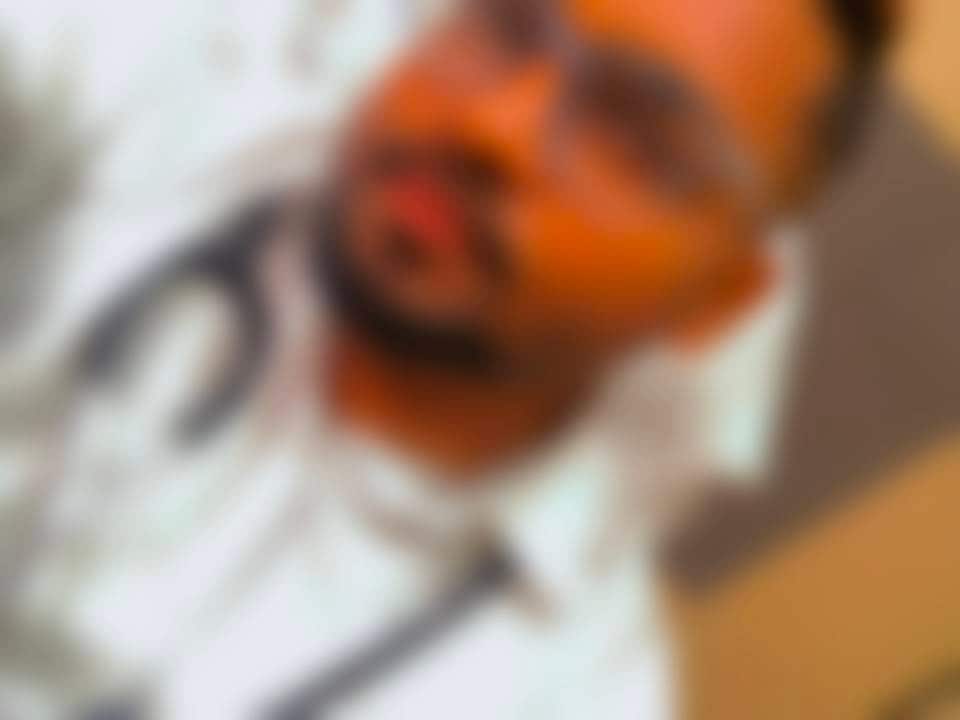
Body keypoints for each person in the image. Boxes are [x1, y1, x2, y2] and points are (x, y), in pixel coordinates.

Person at [0, 1, 894, 718]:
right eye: (508, 25)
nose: (492, 123)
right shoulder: (154, 104)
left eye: (635, 136)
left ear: (717, 300)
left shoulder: (579, 693)